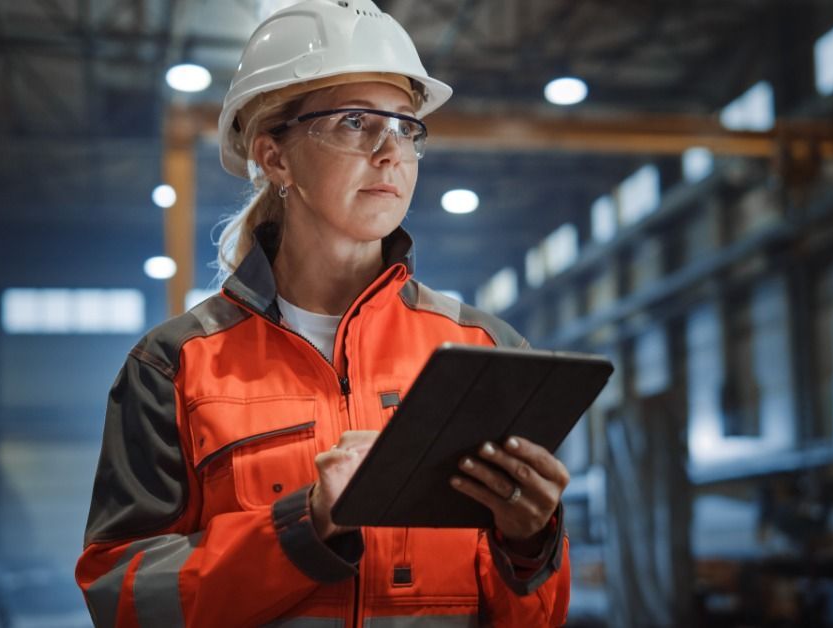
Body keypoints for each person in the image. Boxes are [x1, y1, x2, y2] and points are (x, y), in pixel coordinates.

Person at [75, 1, 571, 625]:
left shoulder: (486, 352)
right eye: (357, 121)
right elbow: (123, 598)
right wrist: (305, 526)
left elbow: (534, 618)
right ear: (275, 157)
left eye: (406, 126)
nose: (391, 151)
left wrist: (528, 545)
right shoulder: (174, 368)